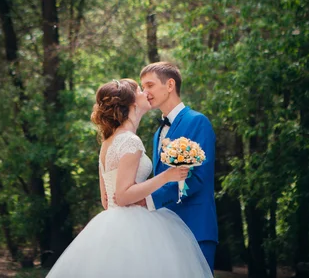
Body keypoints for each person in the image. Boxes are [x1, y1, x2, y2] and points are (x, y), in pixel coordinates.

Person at [46, 79, 212, 278]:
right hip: (135, 225)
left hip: (111, 225)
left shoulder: (108, 142)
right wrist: (167, 176)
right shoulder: (130, 141)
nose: (146, 93)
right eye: (141, 90)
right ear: (132, 102)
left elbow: (106, 200)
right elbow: (122, 196)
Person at [140, 62, 218, 272]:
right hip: (166, 232)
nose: (145, 93)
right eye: (142, 87)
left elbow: (197, 178)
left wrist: (147, 200)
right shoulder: (158, 134)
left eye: (150, 85)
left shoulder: (198, 122)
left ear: (170, 84)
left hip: (195, 227)